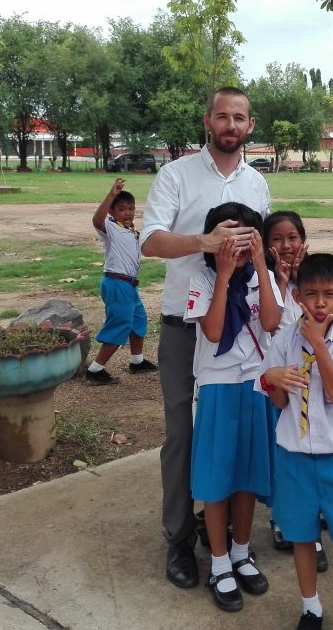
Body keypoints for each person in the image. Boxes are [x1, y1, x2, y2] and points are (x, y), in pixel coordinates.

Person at [139, 86, 271, 590]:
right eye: (222, 117)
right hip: (185, 324)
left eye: (239, 118)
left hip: (243, 332)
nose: (231, 126)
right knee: (182, 435)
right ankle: (179, 539)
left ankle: (232, 542)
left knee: (236, 434)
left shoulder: (257, 182)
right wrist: (204, 241)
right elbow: (150, 240)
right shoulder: (176, 175)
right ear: (207, 122)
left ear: (250, 125)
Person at [258, 253, 333, 630]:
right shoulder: (284, 339)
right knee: (301, 538)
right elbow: (279, 403)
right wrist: (271, 379)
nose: (320, 303)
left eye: (329, 294)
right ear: (297, 298)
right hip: (293, 458)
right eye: (310, 294)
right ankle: (311, 607)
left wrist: (319, 346)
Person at [186, 202, 281, 612]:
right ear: (213, 240)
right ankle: (220, 564)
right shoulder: (202, 277)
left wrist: (261, 265)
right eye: (229, 238)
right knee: (216, 478)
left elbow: (274, 322)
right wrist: (225, 274)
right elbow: (212, 329)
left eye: (246, 238)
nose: (237, 247)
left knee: (246, 475)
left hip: (255, 384)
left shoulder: (265, 279)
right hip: (218, 386)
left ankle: (242, 553)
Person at [262, 210, 328, 570]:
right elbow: (272, 324)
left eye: (293, 238)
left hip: (312, 382)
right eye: (277, 239)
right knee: (283, 452)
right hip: (278, 380)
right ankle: (282, 519)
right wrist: (283, 282)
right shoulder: (262, 281)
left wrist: (300, 279)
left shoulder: (314, 279)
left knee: (310, 451)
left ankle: (310, 523)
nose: (286, 246)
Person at [86, 179, 156, 384]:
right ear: (112, 211)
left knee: (138, 320)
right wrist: (110, 194)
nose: (127, 213)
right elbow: (96, 220)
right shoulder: (110, 227)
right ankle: (95, 369)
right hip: (116, 283)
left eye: (131, 209)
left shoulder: (133, 231)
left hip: (129, 285)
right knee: (120, 324)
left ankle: (137, 361)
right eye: (122, 209)